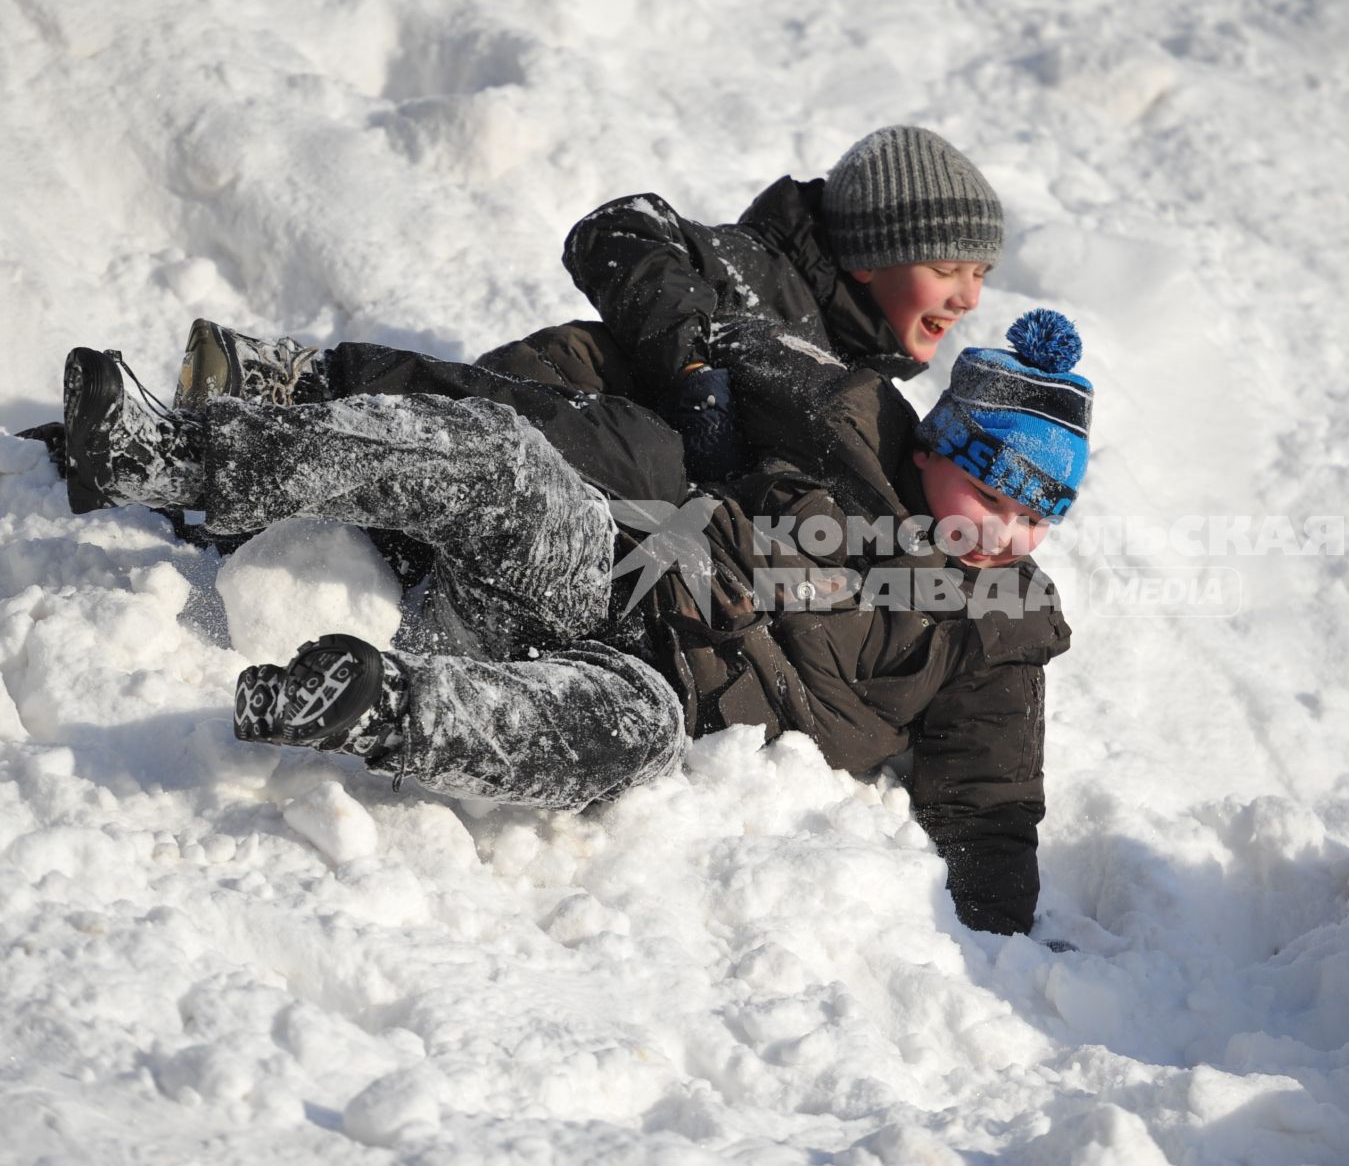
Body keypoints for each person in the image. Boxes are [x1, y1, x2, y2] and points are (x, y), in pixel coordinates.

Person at [57, 309, 1091, 937]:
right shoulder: (845, 433)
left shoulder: (996, 619)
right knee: (501, 461)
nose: (1015, 535)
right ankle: (179, 455)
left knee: (616, 738)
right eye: (998, 496)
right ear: (938, 449)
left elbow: (993, 799)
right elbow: (696, 323)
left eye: (1041, 517)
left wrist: (1002, 924)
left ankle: (371, 704)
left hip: (676, 696)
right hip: (622, 567)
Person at [171, 124, 1004, 482]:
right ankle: (280, 384)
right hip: (548, 404)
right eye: (948, 267)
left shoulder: (851, 373)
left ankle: (218, 467)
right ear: (868, 256)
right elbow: (619, 228)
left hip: (574, 476)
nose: (968, 296)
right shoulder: (763, 273)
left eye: (982, 275)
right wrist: (692, 373)